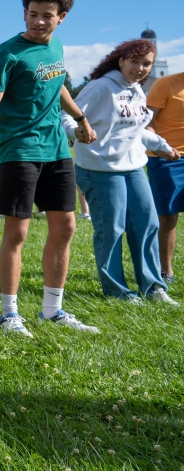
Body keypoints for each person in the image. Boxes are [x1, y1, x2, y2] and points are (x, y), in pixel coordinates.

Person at [0, 0, 99, 337]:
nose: (38, 22)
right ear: (24, 13)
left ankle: (53, 309)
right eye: (32, 15)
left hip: (57, 149)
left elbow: (59, 82)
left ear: (61, 17)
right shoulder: (8, 52)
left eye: (46, 16)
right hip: (19, 150)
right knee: (17, 232)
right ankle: (9, 313)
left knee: (65, 227)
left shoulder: (57, 47)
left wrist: (80, 118)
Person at [66, 40, 180, 303]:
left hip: (134, 166)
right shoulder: (101, 87)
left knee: (147, 223)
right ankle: (117, 291)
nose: (140, 68)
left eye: (146, 64)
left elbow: (136, 131)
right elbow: (68, 115)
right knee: (112, 229)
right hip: (100, 169)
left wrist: (162, 146)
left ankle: (153, 288)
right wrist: (76, 131)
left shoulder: (138, 91)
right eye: (134, 62)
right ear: (121, 61)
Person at [147, 70, 184, 285]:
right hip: (169, 157)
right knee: (168, 216)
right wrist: (160, 146)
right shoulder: (166, 84)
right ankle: (165, 271)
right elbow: (147, 122)